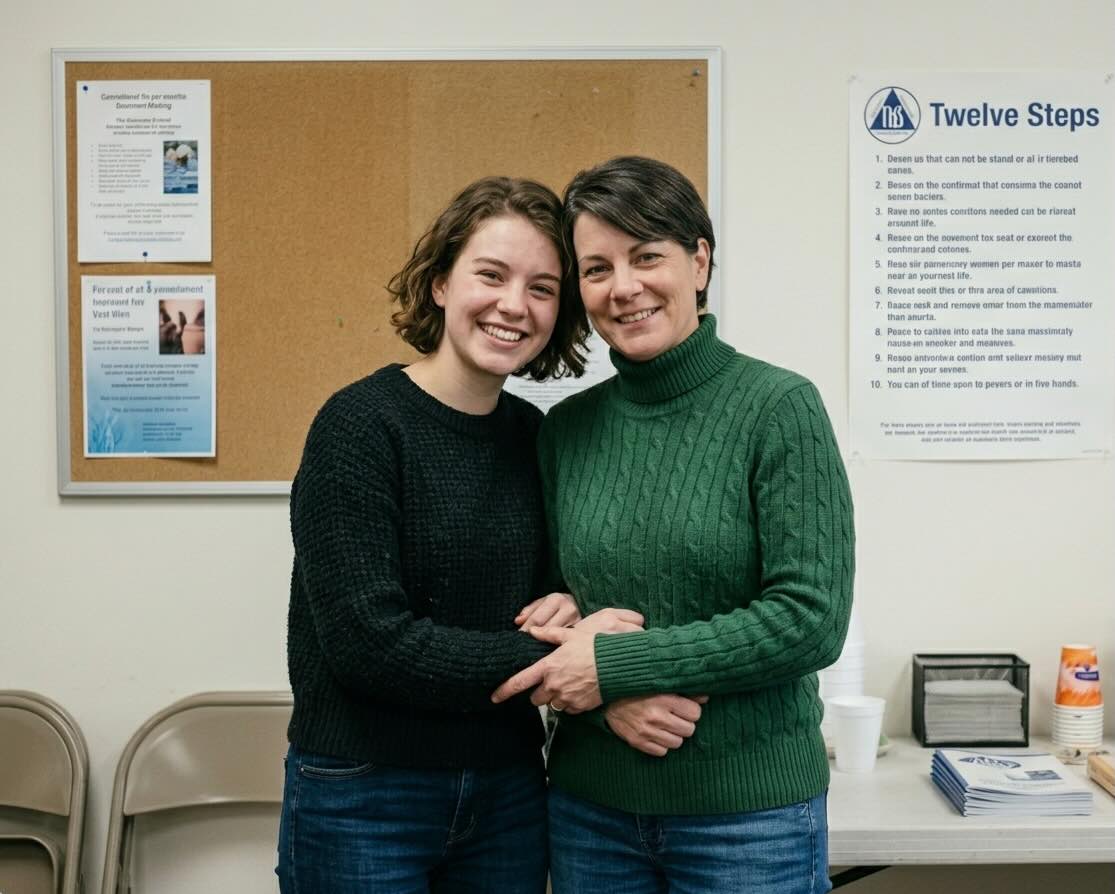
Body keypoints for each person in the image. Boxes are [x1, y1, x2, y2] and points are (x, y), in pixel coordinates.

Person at [493, 156, 855, 894]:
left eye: (646, 256)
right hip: (589, 810)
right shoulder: (565, 429)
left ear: (698, 259)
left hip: (747, 818)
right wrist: (607, 700)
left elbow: (809, 620)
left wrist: (619, 667)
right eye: (596, 269)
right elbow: (549, 612)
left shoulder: (778, 407)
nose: (623, 288)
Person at [277, 176, 637, 893]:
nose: (514, 305)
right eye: (491, 275)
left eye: (541, 288)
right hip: (364, 792)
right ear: (440, 283)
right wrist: (562, 654)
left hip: (507, 791)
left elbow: (541, 589)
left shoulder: (536, 437)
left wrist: (563, 600)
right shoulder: (360, 426)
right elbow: (368, 644)